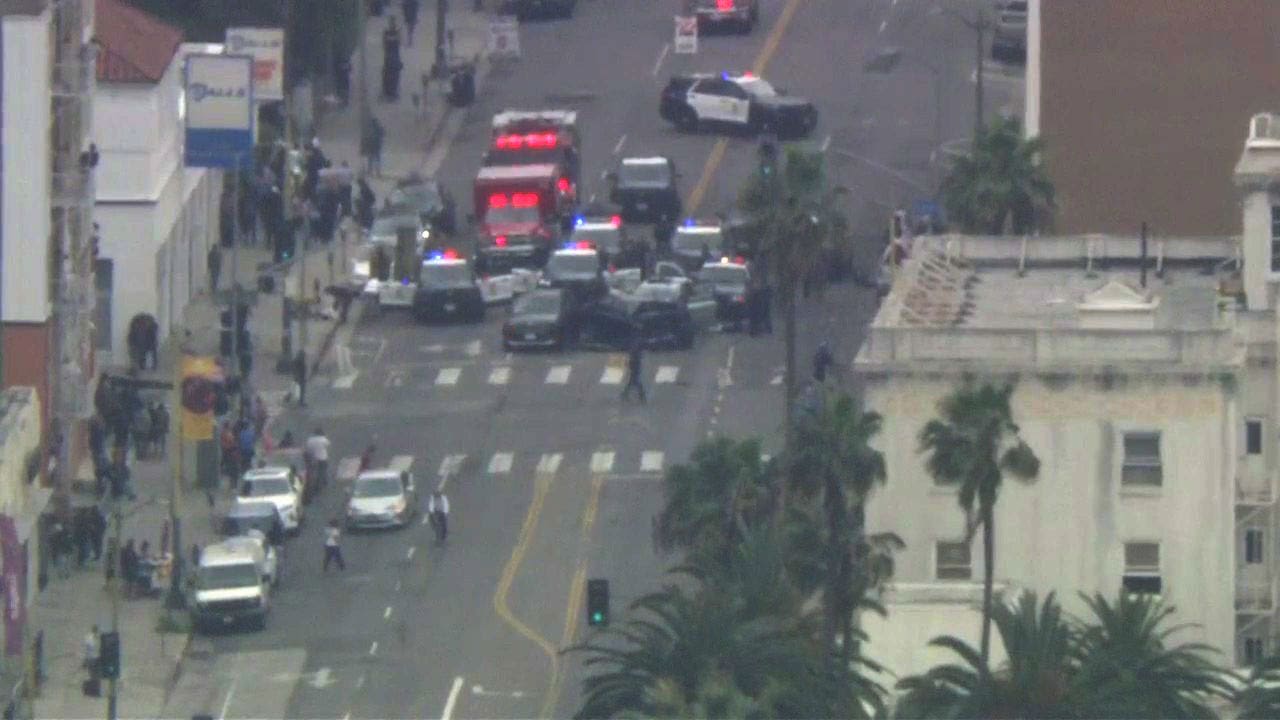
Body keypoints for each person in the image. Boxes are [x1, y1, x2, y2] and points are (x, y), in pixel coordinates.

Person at [620, 333, 646, 403]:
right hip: (635, 365)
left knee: (635, 381)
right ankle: (626, 393)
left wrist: (630, 363)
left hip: (635, 365)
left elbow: (633, 356)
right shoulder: (637, 347)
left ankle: (641, 395)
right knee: (633, 380)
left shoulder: (635, 347)